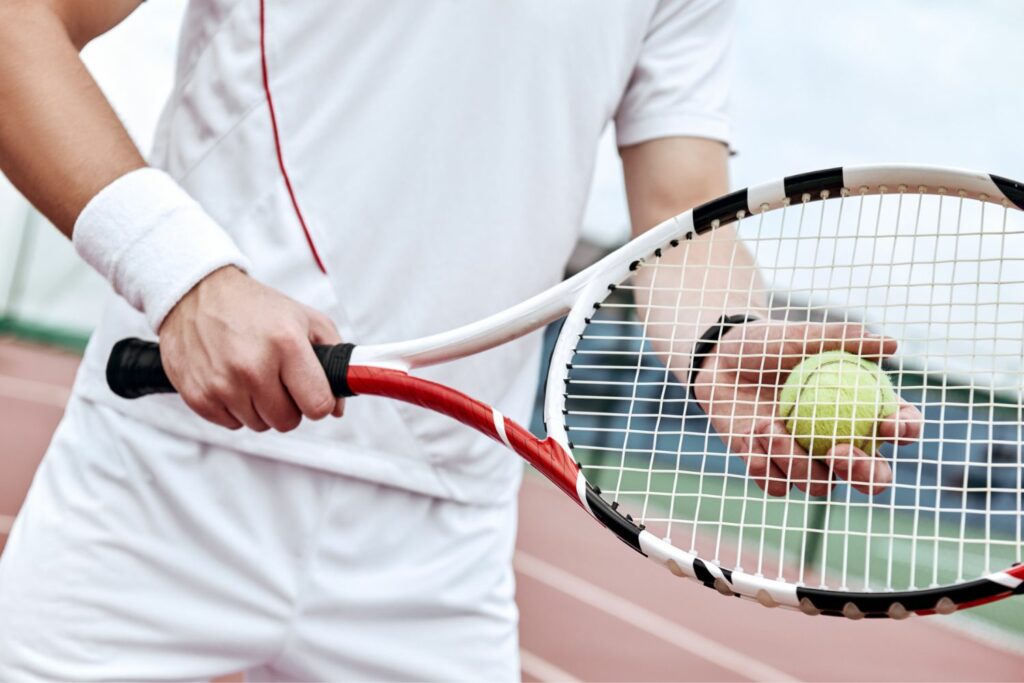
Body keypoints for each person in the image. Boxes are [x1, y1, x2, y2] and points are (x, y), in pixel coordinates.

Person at [0, 0, 922, 679]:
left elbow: (678, 206)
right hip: (168, 466)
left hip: (441, 534)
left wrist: (725, 337)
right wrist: (187, 279)